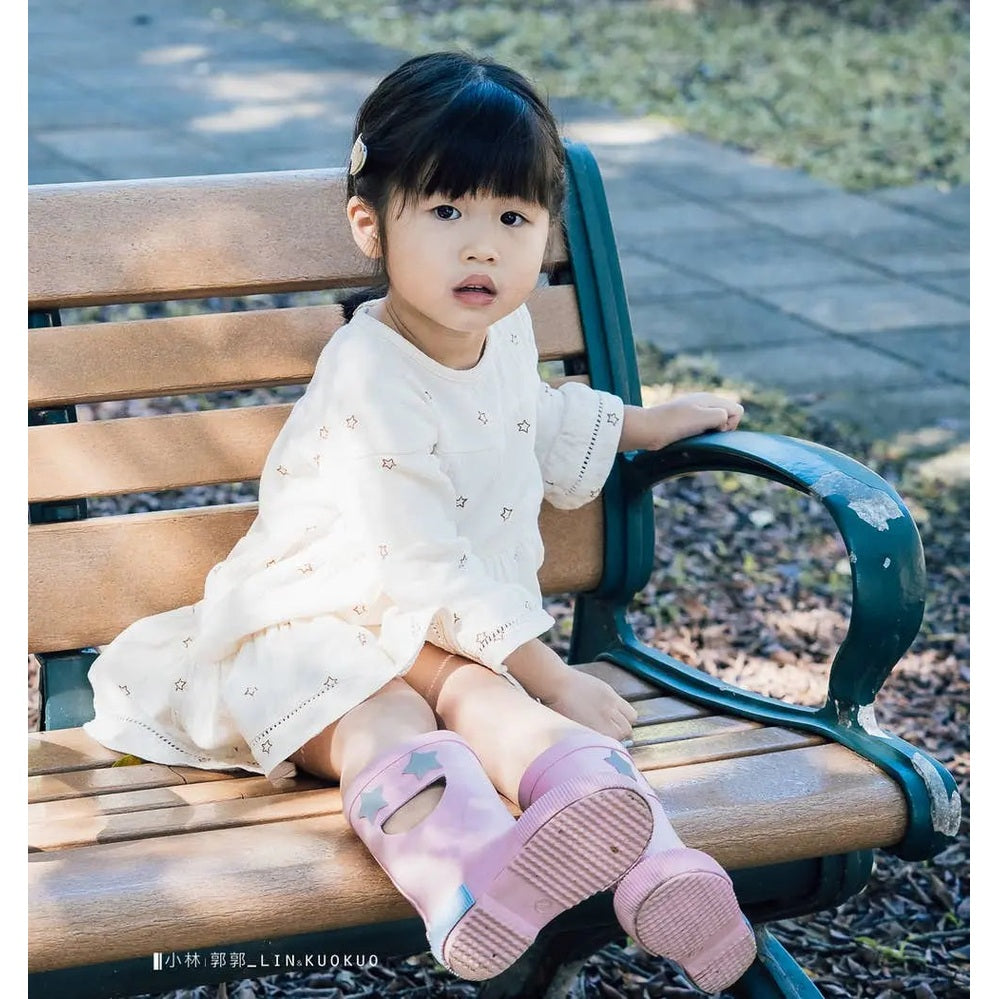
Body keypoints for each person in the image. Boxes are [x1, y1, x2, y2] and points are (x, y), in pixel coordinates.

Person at [84, 50, 756, 991]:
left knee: (489, 702)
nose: (481, 247)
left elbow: (521, 414)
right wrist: (555, 674)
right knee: (388, 712)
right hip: (315, 629)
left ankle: (652, 859)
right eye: (446, 213)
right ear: (371, 224)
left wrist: (639, 422)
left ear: (543, 231)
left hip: (432, 632)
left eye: (511, 218)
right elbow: (419, 562)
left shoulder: (500, 331)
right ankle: (466, 878)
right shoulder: (370, 373)